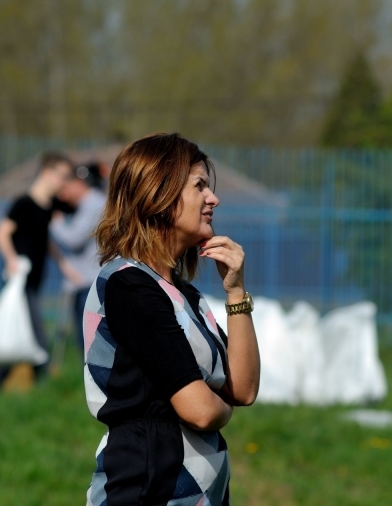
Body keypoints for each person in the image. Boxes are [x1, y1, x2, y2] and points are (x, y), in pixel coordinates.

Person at [83, 133, 260, 506]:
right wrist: (220, 405)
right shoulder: (129, 286)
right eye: (199, 186)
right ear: (158, 195)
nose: (213, 198)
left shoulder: (183, 294)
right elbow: (201, 411)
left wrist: (236, 294)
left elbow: (243, 389)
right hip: (147, 488)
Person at [0, 152, 74, 392]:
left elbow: (44, 240)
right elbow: (1, 233)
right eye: (62, 176)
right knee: (37, 337)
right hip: (19, 281)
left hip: (35, 280)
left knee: (21, 336)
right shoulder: (23, 204)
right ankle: (45, 389)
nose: (64, 182)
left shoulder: (49, 206)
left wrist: (63, 263)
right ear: (46, 173)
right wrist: (11, 259)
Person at [50, 162, 107, 351]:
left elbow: (74, 238)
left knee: (91, 346)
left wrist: (56, 222)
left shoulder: (94, 203)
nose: (62, 194)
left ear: (78, 183)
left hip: (90, 283)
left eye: (65, 187)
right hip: (85, 282)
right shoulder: (88, 204)